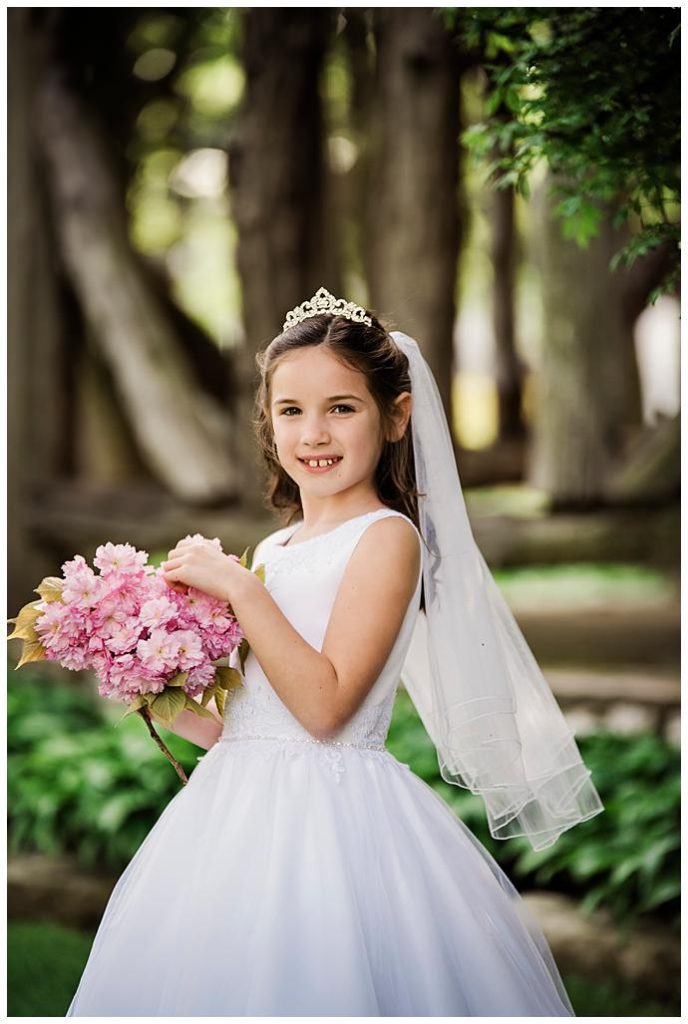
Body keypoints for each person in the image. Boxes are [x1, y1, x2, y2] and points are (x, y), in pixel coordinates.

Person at [66, 287, 603, 1016]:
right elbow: (247, 720)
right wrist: (143, 679)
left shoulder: (387, 540)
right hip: (233, 817)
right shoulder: (277, 548)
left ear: (396, 417)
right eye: (291, 411)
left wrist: (240, 592)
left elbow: (324, 707)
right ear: (269, 422)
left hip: (332, 824)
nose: (313, 433)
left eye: (341, 408)